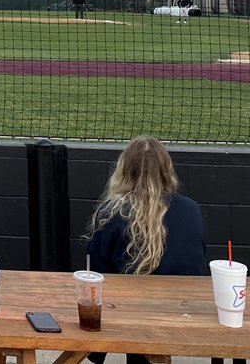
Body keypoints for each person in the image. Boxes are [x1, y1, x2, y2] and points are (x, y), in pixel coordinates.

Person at [84, 136, 208, 364]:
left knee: (118, 295)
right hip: (190, 307)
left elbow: (96, 275)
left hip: (136, 311)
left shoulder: (112, 211)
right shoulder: (191, 208)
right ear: (166, 169)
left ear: (124, 169)